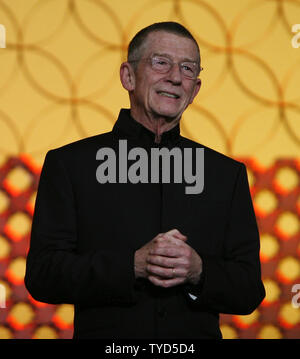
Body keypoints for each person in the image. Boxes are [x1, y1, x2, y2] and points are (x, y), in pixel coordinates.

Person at [25, 22, 265, 339]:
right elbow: (43, 275)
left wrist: (199, 270)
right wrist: (131, 266)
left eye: (188, 68)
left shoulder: (225, 174)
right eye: (161, 62)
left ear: (195, 90)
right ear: (128, 77)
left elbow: (249, 289)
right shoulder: (70, 165)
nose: (176, 77)